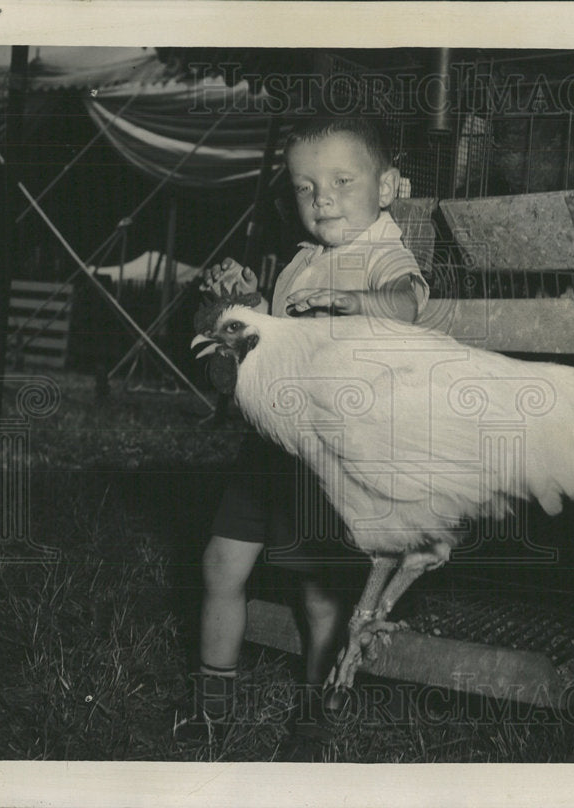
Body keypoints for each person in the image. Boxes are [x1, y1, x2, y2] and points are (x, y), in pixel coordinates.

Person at [175, 116, 429, 742]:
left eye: (343, 181)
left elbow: (408, 300)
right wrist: (251, 303)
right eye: (305, 186)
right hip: (269, 449)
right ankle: (213, 706)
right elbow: (281, 336)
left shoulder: (382, 252)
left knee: (319, 594)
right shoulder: (303, 260)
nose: (323, 199)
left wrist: (358, 303)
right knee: (219, 565)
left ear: (388, 187)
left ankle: (315, 717)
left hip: (329, 458)